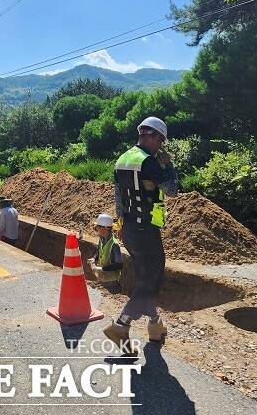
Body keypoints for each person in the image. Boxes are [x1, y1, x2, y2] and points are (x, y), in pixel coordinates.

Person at [103, 116, 178, 350]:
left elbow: (118, 197)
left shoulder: (123, 159)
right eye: (161, 142)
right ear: (154, 136)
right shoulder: (149, 162)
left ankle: (155, 325)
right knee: (151, 279)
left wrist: (121, 225)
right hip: (146, 229)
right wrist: (168, 166)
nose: (161, 147)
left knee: (146, 277)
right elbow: (172, 190)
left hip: (130, 229)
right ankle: (121, 325)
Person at [89, 213, 123, 282]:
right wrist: (94, 258)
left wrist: (102, 269)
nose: (96, 229)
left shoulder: (114, 244)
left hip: (112, 280)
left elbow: (119, 265)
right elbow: (99, 252)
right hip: (103, 278)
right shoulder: (101, 239)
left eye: (98, 227)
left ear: (104, 228)